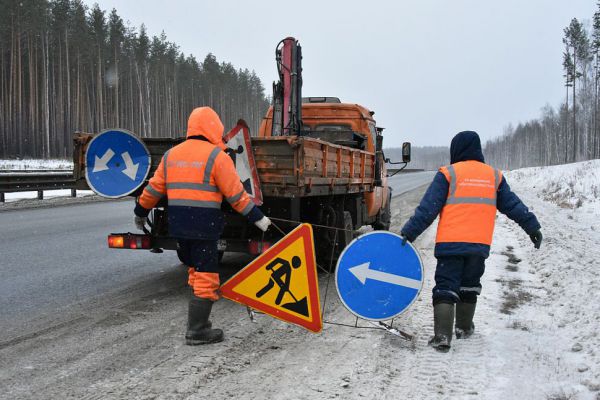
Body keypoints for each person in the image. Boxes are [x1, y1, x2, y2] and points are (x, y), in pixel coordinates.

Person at [133, 106, 272, 345]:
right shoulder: (217, 157)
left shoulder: (171, 155)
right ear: (214, 128)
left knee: (195, 270)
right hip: (204, 227)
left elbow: (153, 189)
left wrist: (140, 212)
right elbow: (237, 196)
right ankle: (197, 330)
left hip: (178, 226)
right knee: (207, 275)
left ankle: (199, 324)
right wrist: (258, 219)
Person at [400, 131, 542, 352]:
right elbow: (513, 205)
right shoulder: (493, 176)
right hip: (478, 246)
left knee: (446, 287)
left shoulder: (448, 173)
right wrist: (532, 226)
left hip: (450, 245)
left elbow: (428, 209)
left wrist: (409, 232)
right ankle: (464, 328)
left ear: (456, 150)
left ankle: (442, 336)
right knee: (469, 286)